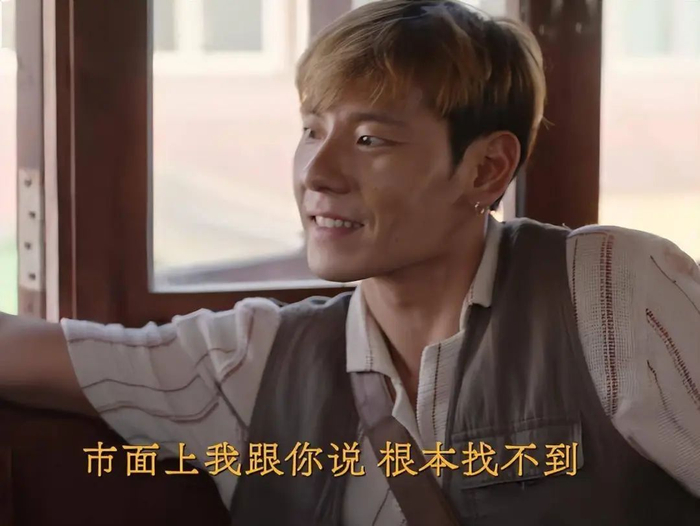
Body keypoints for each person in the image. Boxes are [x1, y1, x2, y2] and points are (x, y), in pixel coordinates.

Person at [1, 1, 699, 524]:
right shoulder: (255, 361)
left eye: (370, 139)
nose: (318, 172)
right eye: (312, 130)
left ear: (487, 168)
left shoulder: (614, 294)